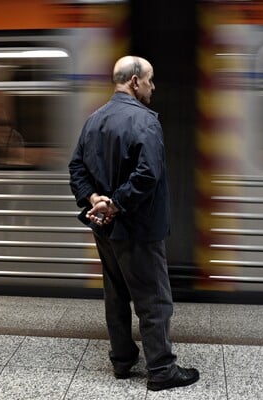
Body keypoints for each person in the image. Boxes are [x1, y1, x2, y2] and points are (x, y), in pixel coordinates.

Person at [68, 55, 199, 391]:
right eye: (151, 79)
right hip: (139, 229)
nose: (153, 87)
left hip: (105, 230)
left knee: (116, 295)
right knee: (154, 299)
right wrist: (115, 203)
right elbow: (148, 175)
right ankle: (161, 369)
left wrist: (94, 200)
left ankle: (122, 360)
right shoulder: (146, 122)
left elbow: (76, 168)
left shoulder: (94, 120)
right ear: (135, 80)